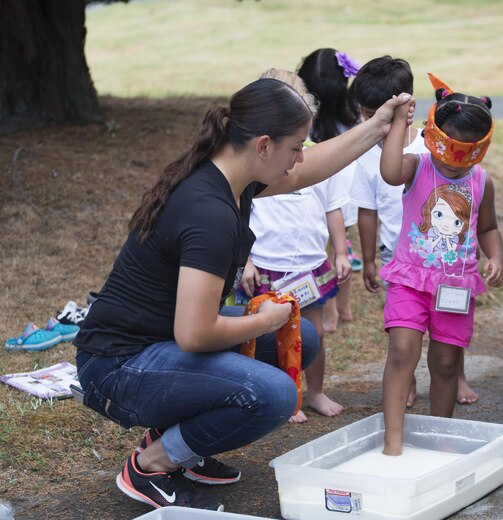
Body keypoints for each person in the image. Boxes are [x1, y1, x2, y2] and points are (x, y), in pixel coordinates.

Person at [73, 77, 412, 511]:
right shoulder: (210, 212)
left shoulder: (229, 177)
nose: (298, 160)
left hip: (156, 346)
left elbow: (311, 168)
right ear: (264, 146)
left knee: (302, 340)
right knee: (274, 394)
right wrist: (265, 320)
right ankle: (151, 463)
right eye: (294, 147)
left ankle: (179, 444)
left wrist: (377, 127)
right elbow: (195, 334)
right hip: (118, 367)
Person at [379, 75, 503, 455]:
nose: (452, 168)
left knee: (447, 362)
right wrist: (400, 122)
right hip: (410, 279)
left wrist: (496, 255)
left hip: (456, 287)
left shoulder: (482, 181)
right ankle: (393, 439)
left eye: (462, 160)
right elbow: (388, 171)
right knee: (402, 349)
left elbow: (489, 227)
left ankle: (439, 437)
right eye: (446, 157)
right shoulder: (417, 166)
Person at [351, 56, 480, 407]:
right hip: (401, 256)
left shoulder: (435, 149)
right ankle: (405, 383)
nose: (370, 120)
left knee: (447, 334)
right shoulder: (363, 154)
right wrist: (369, 257)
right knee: (404, 333)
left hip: (447, 262)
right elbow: (368, 210)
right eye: (365, 113)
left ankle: (458, 376)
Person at [235, 68, 347, 424]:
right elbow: (237, 216)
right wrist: (246, 260)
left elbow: (333, 206)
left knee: (310, 335)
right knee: (260, 336)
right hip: (264, 265)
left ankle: (312, 391)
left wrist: (342, 250)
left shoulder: (316, 158)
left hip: (308, 266)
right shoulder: (252, 164)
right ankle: (277, 395)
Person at [297, 47, 362, 332]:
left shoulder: (302, 121)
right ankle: (340, 308)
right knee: (340, 250)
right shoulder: (352, 119)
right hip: (342, 196)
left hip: (313, 194)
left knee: (326, 253)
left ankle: (333, 307)